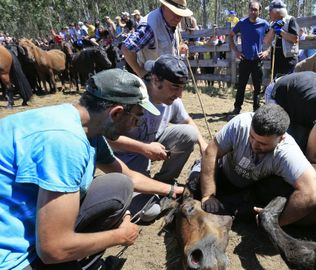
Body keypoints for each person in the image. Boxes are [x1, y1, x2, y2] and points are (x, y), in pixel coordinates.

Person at [0, 69, 185, 270]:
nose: (136, 125)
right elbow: (52, 249)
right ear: (117, 113)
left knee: (119, 185)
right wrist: (120, 236)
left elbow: (127, 176)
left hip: (25, 217)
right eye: (137, 117)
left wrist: (172, 190)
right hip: (11, 257)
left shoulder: (83, 124)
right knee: (57, 251)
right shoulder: (66, 142)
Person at [108, 56, 207, 221]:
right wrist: (144, 148)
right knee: (149, 213)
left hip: (151, 146)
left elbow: (187, 121)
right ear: (155, 80)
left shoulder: (172, 100)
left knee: (190, 132)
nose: (180, 94)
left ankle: (165, 181)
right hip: (124, 160)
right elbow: (106, 138)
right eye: (175, 87)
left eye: (182, 87)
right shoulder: (132, 96)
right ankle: (154, 190)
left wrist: (203, 145)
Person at [199, 104, 316, 226]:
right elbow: (210, 152)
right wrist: (208, 194)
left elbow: (313, 195)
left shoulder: (287, 152)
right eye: (252, 137)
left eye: (263, 144)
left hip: (250, 191)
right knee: (194, 181)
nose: (254, 145)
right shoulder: (240, 124)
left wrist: (275, 222)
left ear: (281, 139)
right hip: (222, 174)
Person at [122, 0, 192, 78]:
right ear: (164, 6)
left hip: (167, 79)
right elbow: (127, 48)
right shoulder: (150, 26)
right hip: (152, 82)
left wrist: (180, 47)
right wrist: (141, 73)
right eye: (175, 12)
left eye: (180, 14)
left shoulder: (170, 22)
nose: (178, 18)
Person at [228, 0, 270, 114]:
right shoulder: (242, 23)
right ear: (248, 10)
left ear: (260, 11)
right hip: (245, 60)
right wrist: (236, 51)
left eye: (255, 10)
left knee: (257, 87)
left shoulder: (264, 24)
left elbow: (273, 36)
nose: (253, 12)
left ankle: (256, 109)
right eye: (251, 9)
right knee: (241, 86)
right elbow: (231, 36)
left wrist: (267, 50)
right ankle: (237, 108)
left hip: (257, 60)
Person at [264, 0, 300, 78]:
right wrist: (273, 29)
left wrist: (280, 32)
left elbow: (295, 39)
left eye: (270, 11)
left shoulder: (290, 20)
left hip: (288, 61)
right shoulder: (272, 24)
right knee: (276, 83)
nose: (268, 13)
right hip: (276, 60)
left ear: (276, 12)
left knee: (288, 85)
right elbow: (266, 41)